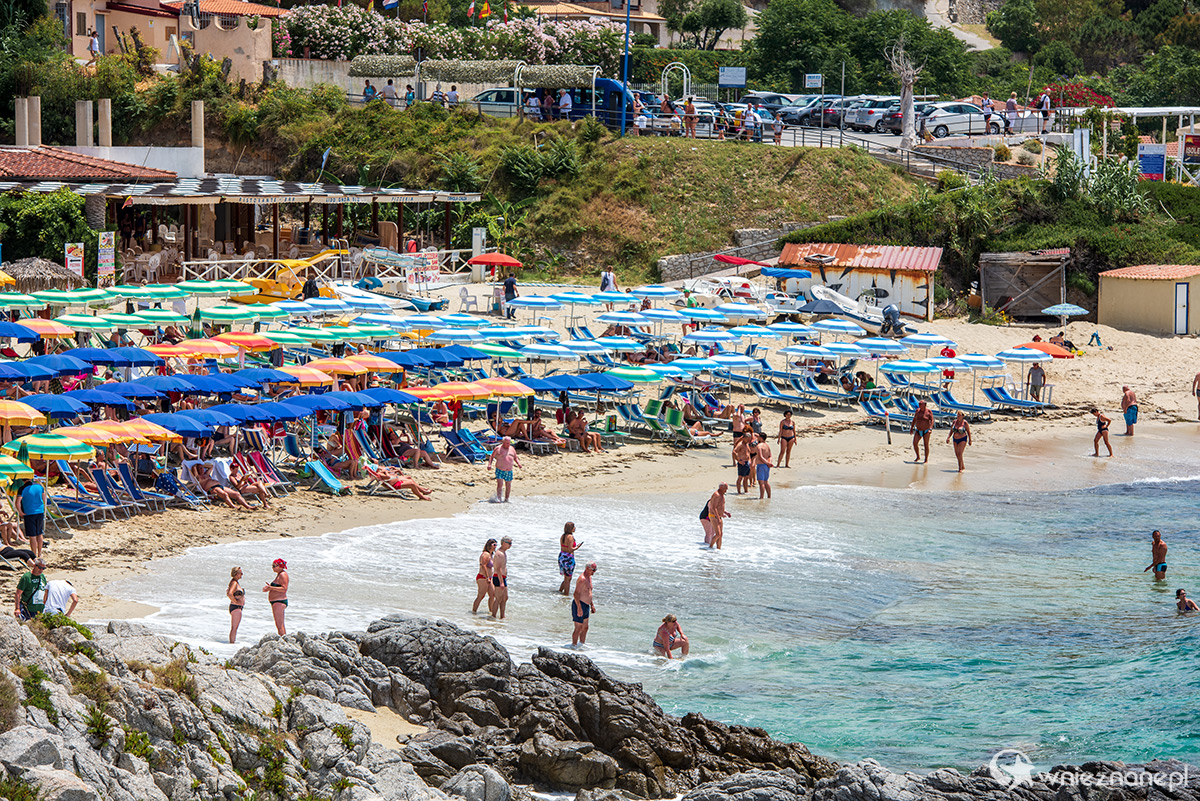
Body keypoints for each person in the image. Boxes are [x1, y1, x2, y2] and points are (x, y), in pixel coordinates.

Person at [487, 436, 522, 502]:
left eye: (509, 443)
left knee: (508, 485)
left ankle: (506, 499)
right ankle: (499, 498)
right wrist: (489, 464)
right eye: (506, 443)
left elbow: (515, 457)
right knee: (500, 484)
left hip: (509, 470)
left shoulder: (512, 448)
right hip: (500, 469)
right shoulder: (498, 448)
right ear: (503, 442)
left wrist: (518, 463)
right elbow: (492, 456)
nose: (508, 445)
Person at [571, 562, 597, 647]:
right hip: (580, 604)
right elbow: (576, 594)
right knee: (578, 628)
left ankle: (581, 645)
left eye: (595, 570)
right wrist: (579, 607)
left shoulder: (589, 578)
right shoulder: (582, 579)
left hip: (586, 605)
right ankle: (574, 646)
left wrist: (592, 605)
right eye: (593, 570)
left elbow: (589, 592)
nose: (594, 572)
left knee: (585, 627)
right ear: (587, 568)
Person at [18, 478, 45, 559]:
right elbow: (44, 499)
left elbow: (17, 502)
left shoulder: (22, 488)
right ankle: (40, 553)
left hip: (29, 513)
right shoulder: (39, 486)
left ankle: (34, 554)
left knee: (32, 535)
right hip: (40, 512)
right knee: (39, 533)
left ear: (22, 480)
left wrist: (20, 512)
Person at [262, 558, 288, 635]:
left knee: (280, 625)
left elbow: (284, 589)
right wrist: (269, 588)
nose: (272, 568)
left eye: (274, 566)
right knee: (278, 624)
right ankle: (283, 639)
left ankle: (283, 641)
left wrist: (271, 588)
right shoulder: (279, 575)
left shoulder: (283, 575)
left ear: (280, 566)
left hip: (279, 601)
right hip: (276, 601)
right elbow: (278, 588)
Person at [701, 482, 731, 549]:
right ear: (721, 488)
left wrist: (726, 513)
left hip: (719, 516)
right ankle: (710, 547)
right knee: (717, 534)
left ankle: (718, 549)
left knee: (720, 534)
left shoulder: (722, 495)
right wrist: (718, 518)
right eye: (725, 488)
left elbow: (720, 506)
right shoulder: (716, 495)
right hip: (713, 516)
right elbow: (713, 507)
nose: (726, 490)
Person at [472, 539, 496, 614]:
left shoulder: (491, 555)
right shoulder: (486, 554)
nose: (495, 546)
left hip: (489, 577)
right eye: (494, 545)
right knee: (481, 595)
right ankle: (474, 611)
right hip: (483, 577)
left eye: (496, 545)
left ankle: (491, 612)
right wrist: (487, 577)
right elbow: (483, 565)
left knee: (492, 594)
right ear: (489, 545)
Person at [490, 536, 512, 619]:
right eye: (509, 543)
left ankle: (502, 616)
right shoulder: (499, 553)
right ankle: (493, 616)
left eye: (511, 543)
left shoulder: (503, 552)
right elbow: (498, 568)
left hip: (502, 577)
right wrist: (501, 582)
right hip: (498, 577)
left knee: (505, 598)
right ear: (503, 543)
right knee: (498, 598)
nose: (510, 545)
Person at [558, 522, 581, 595]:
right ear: (571, 528)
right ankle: (566, 595)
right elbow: (570, 549)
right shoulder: (570, 537)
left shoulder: (563, 536)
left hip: (562, 556)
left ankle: (560, 591)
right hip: (568, 558)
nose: (575, 528)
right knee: (568, 579)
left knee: (566, 578)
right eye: (574, 527)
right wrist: (577, 547)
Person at [227, 566, 245, 643]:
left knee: (234, 628)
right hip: (236, 607)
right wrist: (235, 601)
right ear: (236, 574)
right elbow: (229, 594)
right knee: (234, 628)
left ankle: (232, 642)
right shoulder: (234, 582)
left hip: (236, 607)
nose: (242, 574)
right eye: (240, 573)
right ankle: (232, 643)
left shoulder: (234, 582)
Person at [754, 433, 772, 499]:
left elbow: (760, 456)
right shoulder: (767, 446)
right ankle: (769, 496)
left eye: (758, 437)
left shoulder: (759, 446)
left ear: (761, 438)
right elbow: (770, 456)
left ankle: (761, 497)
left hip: (761, 465)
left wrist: (767, 463)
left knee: (761, 483)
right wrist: (769, 462)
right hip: (766, 466)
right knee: (766, 482)